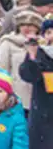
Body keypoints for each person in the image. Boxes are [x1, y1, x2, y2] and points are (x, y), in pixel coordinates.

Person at [0, 10, 43, 117]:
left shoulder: (44, 44)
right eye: (23, 24)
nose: (27, 28)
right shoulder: (8, 42)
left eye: (31, 25)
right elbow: (1, 69)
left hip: (40, 97)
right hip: (16, 95)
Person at [18, 13, 53, 149]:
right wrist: (31, 56)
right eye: (49, 32)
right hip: (43, 111)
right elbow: (28, 75)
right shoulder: (40, 54)